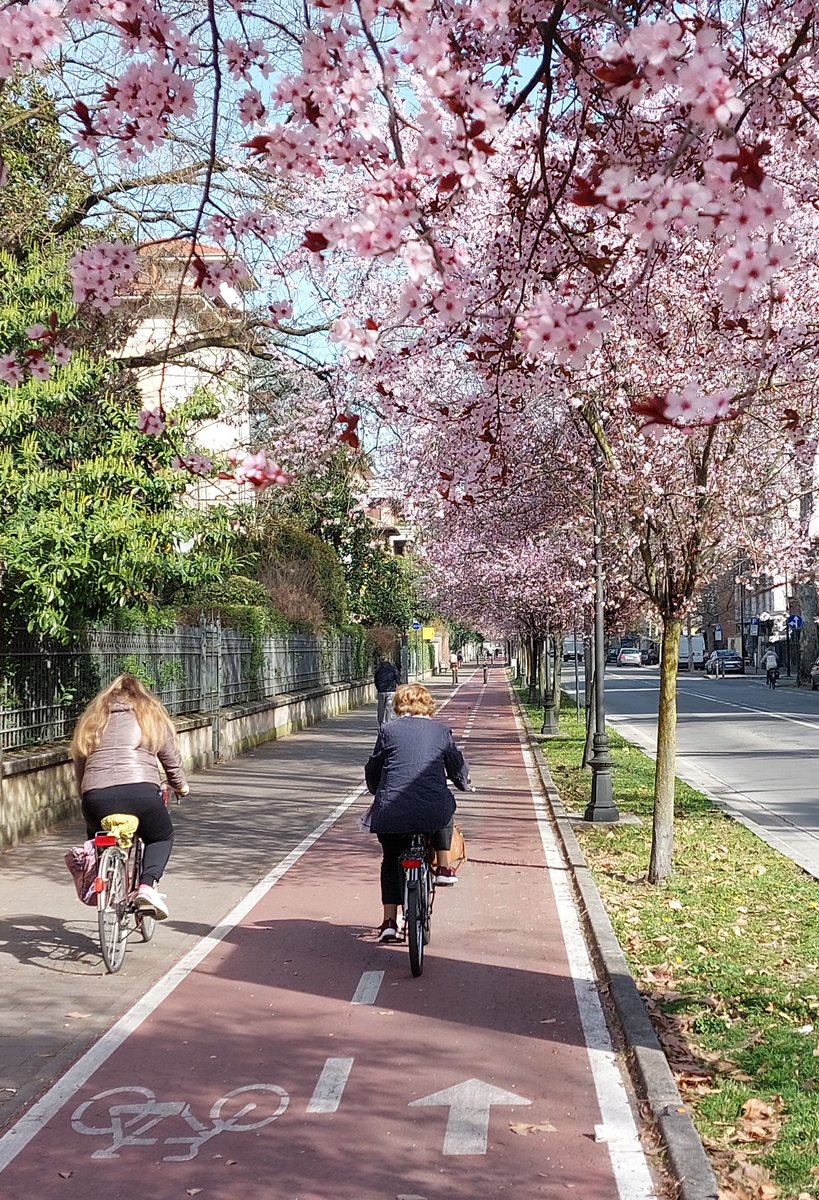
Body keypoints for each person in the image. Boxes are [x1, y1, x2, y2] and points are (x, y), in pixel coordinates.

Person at [70, 674, 189, 921]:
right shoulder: (151, 716)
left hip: (96, 797)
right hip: (141, 793)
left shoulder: (92, 720)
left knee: (96, 835)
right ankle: (146, 887)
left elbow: (80, 764)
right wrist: (181, 786)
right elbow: (170, 760)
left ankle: (101, 874)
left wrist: (86, 794)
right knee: (160, 837)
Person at [365, 683, 470, 942]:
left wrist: (376, 789)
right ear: (428, 705)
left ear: (398, 706)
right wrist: (463, 783)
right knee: (445, 806)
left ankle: (389, 922)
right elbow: (456, 766)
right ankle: (443, 868)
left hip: (391, 812)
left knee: (391, 860)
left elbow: (374, 768)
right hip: (432, 810)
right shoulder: (441, 731)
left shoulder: (387, 731)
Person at [374, 655, 401, 726]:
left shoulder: (378, 669)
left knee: (381, 707)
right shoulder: (392, 668)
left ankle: (381, 722)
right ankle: (388, 722)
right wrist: (399, 685)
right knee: (389, 707)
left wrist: (378, 688)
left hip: (381, 691)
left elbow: (376, 680)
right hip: (391, 690)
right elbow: (397, 677)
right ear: (388, 660)